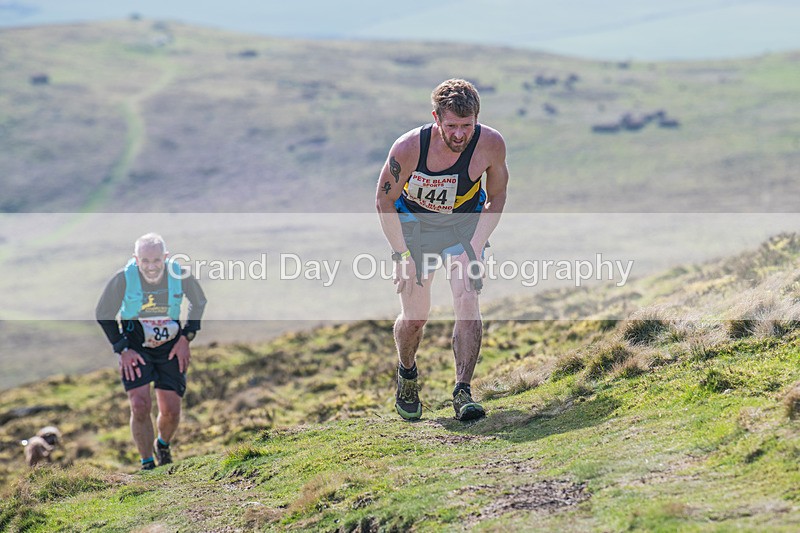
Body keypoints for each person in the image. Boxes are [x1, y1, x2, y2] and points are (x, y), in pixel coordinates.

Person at [375, 79, 509, 421]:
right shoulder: (409, 147)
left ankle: (463, 391)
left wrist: (475, 247)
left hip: (462, 226)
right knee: (416, 316)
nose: (460, 135)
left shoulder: (490, 144)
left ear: (477, 118)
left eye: (467, 126)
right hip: (415, 229)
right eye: (451, 126)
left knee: (467, 298)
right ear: (436, 118)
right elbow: (384, 201)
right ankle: (407, 374)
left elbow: (497, 197)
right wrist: (402, 256)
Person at [96, 233, 207, 470]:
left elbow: (199, 302)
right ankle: (147, 463)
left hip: (171, 349)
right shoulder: (123, 279)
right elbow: (103, 313)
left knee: (171, 411)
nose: (151, 266)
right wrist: (122, 348)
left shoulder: (180, 275)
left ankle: (162, 445)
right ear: (136, 259)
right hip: (136, 349)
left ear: (165, 257)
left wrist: (186, 337)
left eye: (156, 260)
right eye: (145, 261)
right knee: (139, 405)